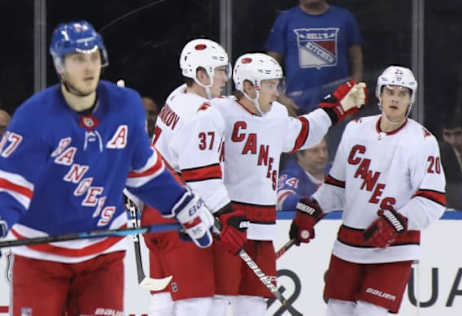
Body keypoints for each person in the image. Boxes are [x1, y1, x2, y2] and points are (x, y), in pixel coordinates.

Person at [0, 20, 216, 316]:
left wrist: (180, 202)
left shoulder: (125, 106)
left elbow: (143, 170)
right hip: (41, 257)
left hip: (102, 256)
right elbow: (13, 183)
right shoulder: (33, 116)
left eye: (93, 58)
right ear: (60, 65)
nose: (88, 67)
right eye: (77, 59)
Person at [174, 52, 367, 315]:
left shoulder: (275, 114)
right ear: (248, 87)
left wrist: (336, 108)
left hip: (262, 228)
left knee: (254, 304)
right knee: (216, 303)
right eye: (270, 86)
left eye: (277, 85)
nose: (276, 93)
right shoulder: (218, 112)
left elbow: (302, 133)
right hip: (228, 225)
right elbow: (196, 161)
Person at [289, 65, 446, 315]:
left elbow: (432, 201)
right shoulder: (356, 129)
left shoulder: (422, 141)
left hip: (392, 248)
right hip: (348, 246)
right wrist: (313, 208)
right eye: (390, 91)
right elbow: (338, 187)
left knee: (369, 312)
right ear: (379, 95)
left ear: (411, 99)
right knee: (336, 310)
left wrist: (396, 222)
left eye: (403, 93)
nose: (395, 98)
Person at [141, 38, 244, 316]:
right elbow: (201, 178)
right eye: (220, 70)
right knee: (196, 303)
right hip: (182, 214)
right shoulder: (203, 115)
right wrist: (229, 214)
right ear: (201, 75)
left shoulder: (177, 98)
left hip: (154, 211)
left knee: (164, 300)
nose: (226, 77)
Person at [265, 0, 363, 115]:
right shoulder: (285, 19)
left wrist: (354, 93)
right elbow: (270, 64)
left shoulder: (344, 17)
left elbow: (357, 60)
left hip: (338, 103)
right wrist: (280, 98)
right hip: (296, 105)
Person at [277, 137, 329, 211]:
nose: (322, 155)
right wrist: (315, 203)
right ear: (300, 155)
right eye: (315, 151)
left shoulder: (334, 170)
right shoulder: (291, 174)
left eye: (324, 149)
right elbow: (283, 201)